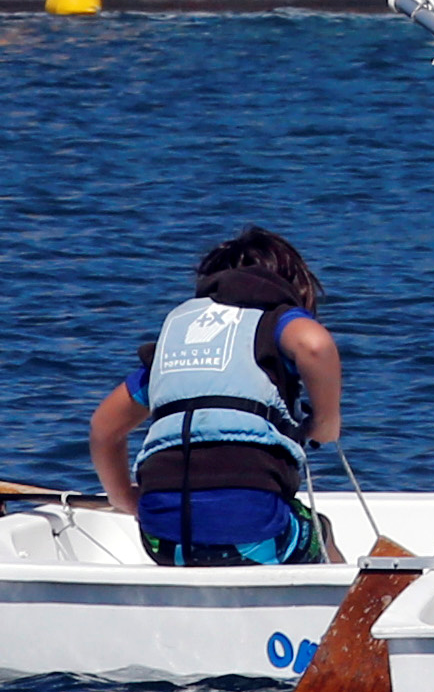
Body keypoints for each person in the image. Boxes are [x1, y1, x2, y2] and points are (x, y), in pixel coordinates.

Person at [89, 226, 345, 567]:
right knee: (318, 530)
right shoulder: (274, 319)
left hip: (162, 538)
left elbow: (103, 428)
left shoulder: (174, 350)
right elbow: (316, 345)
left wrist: (125, 499)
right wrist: (326, 423)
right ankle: (345, 612)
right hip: (254, 532)